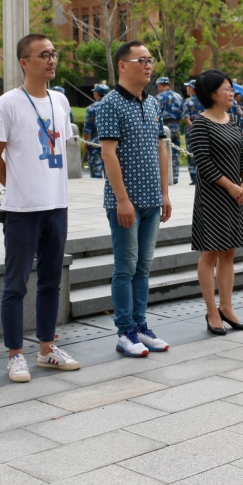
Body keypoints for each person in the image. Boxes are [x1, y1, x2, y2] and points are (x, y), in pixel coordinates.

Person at [0, 35, 81, 382]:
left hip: (57, 204)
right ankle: (14, 355)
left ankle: (46, 348)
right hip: (22, 210)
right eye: (44, 55)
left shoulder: (60, 101)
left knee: (51, 282)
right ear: (24, 62)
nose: (51, 60)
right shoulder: (8, 104)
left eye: (54, 53)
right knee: (16, 284)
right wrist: (18, 186)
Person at [95, 40, 173, 356]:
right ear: (123, 65)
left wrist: (164, 193)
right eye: (142, 60)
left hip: (152, 200)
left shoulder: (152, 103)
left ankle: (141, 326)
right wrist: (122, 200)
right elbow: (108, 154)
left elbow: (161, 148)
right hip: (125, 202)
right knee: (125, 268)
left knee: (143, 267)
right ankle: (125, 331)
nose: (148, 65)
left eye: (150, 60)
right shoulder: (110, 104)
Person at [188, 70, 243, 335]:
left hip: (236, 195)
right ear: (211, 94)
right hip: (213, 197)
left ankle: (227, 307)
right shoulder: (200, 124)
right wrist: (231, 186)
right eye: (226, 88)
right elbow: (204, 163)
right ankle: (212, 311)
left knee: (229, 252)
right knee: (210, 252)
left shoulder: (233, 120)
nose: (231, 92)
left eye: (231, 87)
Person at [155, 76, 183, 184]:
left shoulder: (158, 98)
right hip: (176, 126)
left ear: (160, 85)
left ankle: (164, 177)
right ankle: (175, 176)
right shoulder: (178, 96)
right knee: (175, 152)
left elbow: (155, 114)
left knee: (162, 151)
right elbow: (182, 113)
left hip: (164, 126)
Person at [82, 84, 109, 179]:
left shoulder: (91, 108)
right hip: (110, 144)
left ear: (97, 93)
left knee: (96, 173)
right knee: (110, 173)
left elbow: (87, 128)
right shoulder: (113, 107)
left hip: (95, 144)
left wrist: (85, 142)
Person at [181, 80, 203, 185]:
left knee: (191, 154)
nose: (187, 89)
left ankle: (194, 178)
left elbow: (186, 118)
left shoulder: (188, 102)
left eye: (188, 87)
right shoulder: (205, 100)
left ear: (192, 88)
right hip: (204, 130)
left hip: (192, 132)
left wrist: (194, 128)